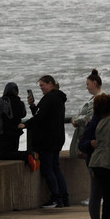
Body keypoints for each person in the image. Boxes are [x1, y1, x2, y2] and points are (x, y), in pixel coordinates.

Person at [20, 75, 69, 208]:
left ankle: (55, 198)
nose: (41, 88)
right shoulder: (59, 98)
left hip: (47, 139)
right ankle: (64, 198)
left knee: (48, 168)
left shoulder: (49, 98)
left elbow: (39, 117)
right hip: (58, 137)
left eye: (42, 85)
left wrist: (25, 125)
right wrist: (32, 105)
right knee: (55, 167)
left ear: (50, 83)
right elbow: (42, 114)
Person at [70, 69, 105, 219]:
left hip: (92, 146)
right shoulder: (95, 99)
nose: (86, 87)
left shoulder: (98, 100)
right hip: (89, 144)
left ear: (95, 83)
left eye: (88, 84)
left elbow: (89, 117)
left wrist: (77, 120)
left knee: (95, 180)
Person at [0, 82, 28, 161]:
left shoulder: (1, 101)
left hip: (3, 134)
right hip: (16, 133)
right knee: (13, 153)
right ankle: (28, 155)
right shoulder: (20, 103)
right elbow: (23, 114)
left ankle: (28, 154)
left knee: (3, 156)